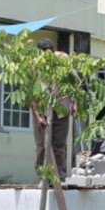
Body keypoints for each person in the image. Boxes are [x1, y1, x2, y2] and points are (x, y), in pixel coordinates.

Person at [30, 38, 76, 183]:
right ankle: (43, 176)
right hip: (42, 108)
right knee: (41, 145)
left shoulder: (63, 59)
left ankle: (60, 176)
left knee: (59, 145)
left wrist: (74, 104)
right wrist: (38, 116)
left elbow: (74, 83)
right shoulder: (34, 64)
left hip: (61, 107)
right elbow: (31, 94)